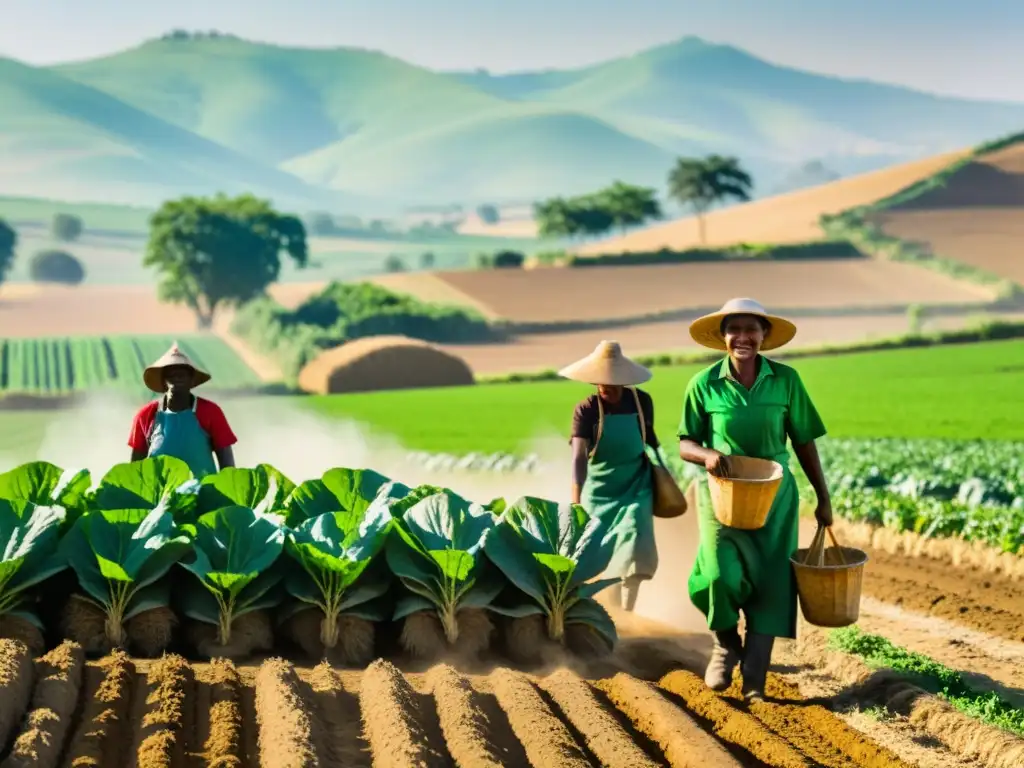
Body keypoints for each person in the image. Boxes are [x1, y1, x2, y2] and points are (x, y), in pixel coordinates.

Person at [677, 298, 832, 700]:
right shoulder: (704, 383)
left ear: (764, 336)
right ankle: (725, 645)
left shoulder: (786, 380)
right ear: (723, 336)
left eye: (752, 329)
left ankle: (756, 681)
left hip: (775, 497)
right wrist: (708, 454)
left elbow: (803, 441)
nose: (743, 337)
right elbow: (685, 443)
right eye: (735, 329)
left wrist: (823, 496)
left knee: (772, 583)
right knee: (717, 575)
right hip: (722, 496)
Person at [560, 340, 666, 612]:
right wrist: (576, 499)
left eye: (612, 382)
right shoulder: (587, 410)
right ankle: (609, 609)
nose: (605, 387)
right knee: (601, 551)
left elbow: (650, 439)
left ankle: (628, 612)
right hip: (599, 490)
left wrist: (665, 472)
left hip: (636, 484)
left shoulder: (641, 402)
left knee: (634, 539)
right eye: (600, 382)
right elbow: (579, 456)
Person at [128, 343, 238, 479]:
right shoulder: (146, 416)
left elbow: (227, 464)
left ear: (192, 381)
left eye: (182, 374)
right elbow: (135, 469)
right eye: (171, 374)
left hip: (204, 495)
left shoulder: (210, 412)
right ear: (163, 381)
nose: (177, 378)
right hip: (159, 498)